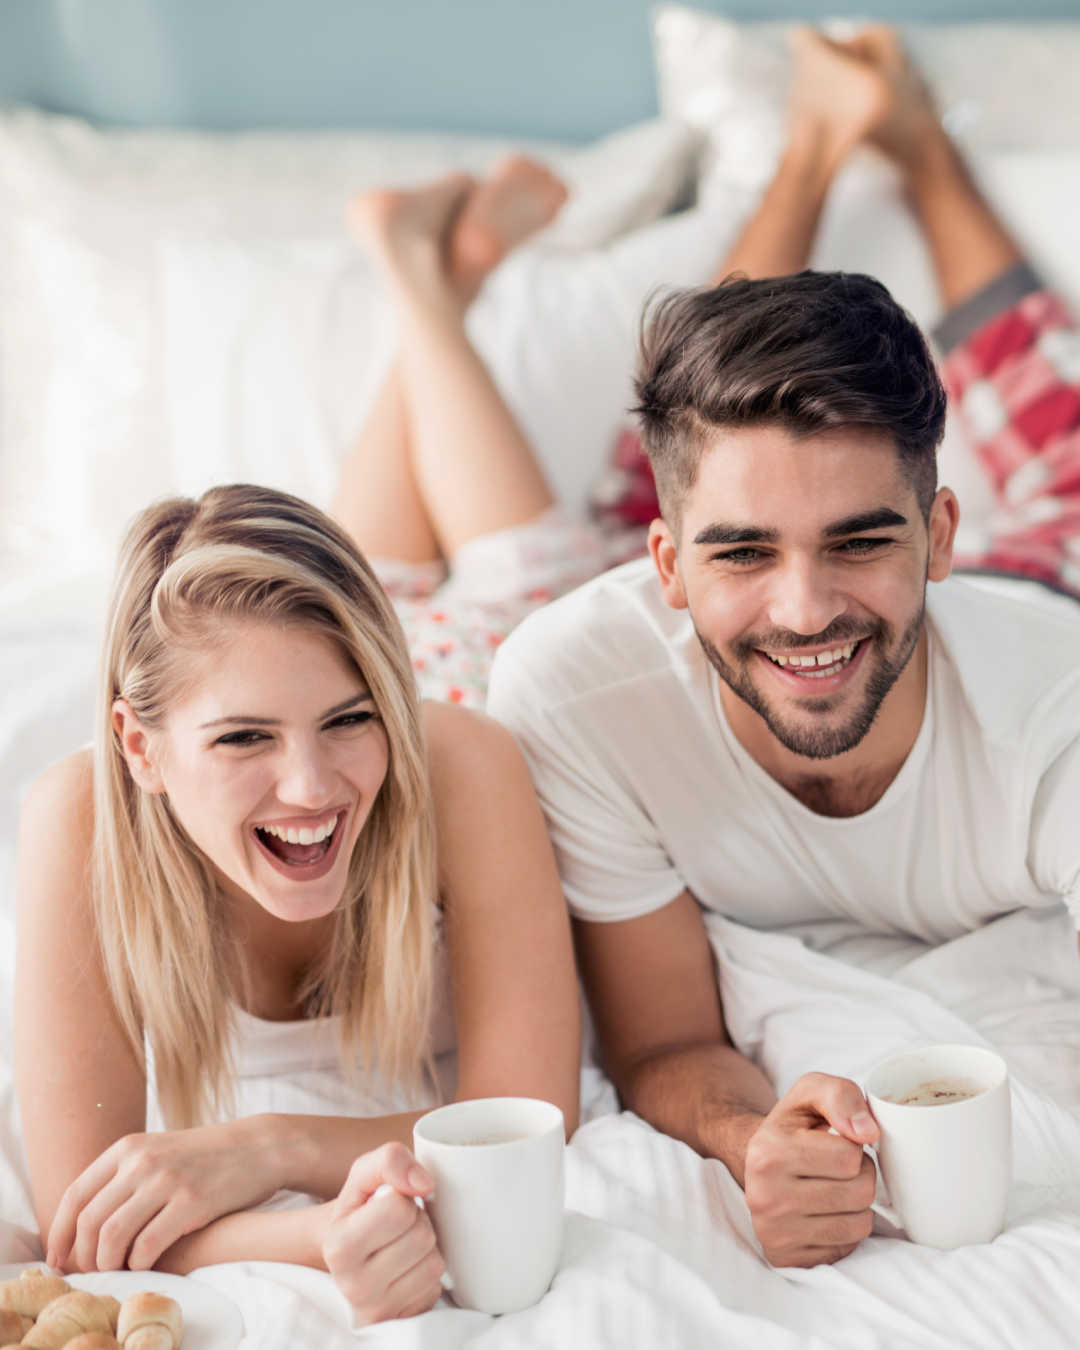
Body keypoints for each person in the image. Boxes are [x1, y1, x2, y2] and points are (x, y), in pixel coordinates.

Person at [485, 27, 1080, 1271]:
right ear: (662, 570)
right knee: (691, 399)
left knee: (1065, 446)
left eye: (862, 541)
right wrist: (757, 1137)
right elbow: (660, 1047)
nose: (804, 610)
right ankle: (813, 142)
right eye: (741, 554)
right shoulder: (573, 695)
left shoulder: (1057, 713)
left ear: (937, 533)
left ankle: (920, 147)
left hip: (1045, 593)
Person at [15, 483, 580, 1325]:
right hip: (392, 644)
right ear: (140, 747)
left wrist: (269, 1146)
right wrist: (319, 1234)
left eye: (351, 719)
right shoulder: (78, 817)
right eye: (244, 737)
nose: (311, 789)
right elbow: (89, 1217)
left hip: (467, 649)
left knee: (516, 567)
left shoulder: (466, 762)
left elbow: (534, 1115)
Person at [338, 156, 644, 710]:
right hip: (354, 672)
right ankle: (437, 274)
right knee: (355, 591)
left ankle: (429, 271)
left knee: (364, 591)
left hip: (381, 683)